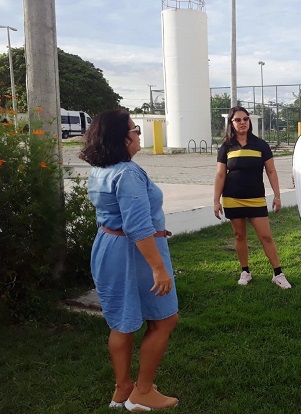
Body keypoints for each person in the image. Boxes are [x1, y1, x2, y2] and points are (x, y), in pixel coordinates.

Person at [80, 110, 179, 411]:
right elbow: (135, 227)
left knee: (121, 323)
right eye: (134, 130)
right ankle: (143, 393)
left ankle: (122, 388)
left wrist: (158, 228)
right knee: (164, 319)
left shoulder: (101, 170)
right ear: (121, 138)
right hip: (132, 252)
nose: (138, 134)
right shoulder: (128, 172)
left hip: (108, 245)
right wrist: (159, 268)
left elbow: (122, 215)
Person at [214, 106, 291, 289]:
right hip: (232, 198)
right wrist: (216, 201)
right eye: (238, 120)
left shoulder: (260, 145)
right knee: (240, 235)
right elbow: (220, 175)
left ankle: (278, 274)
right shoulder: (226, 147)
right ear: (231, 124)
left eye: (245, 119)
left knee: (266, 236)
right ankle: (245, 271)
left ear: (249, 121)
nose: (242, 123)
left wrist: (277, 196)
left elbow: (271, 171)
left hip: (256, 198)